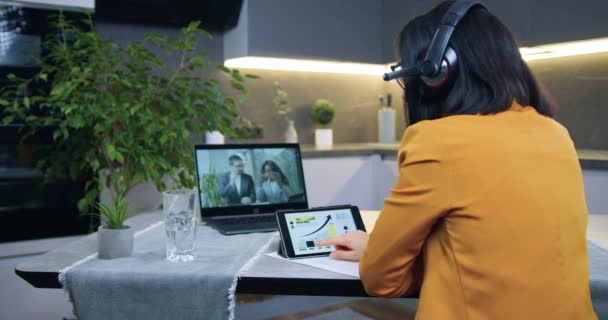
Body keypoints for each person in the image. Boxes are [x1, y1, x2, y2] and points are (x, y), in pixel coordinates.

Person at [316, 1, 598, 319]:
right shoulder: (555, 133)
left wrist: (375, 252)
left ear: (436, 73)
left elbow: (382, 281)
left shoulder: (438, 142)